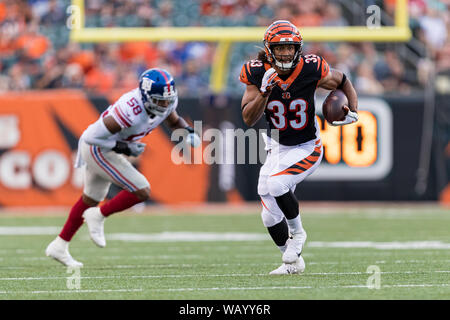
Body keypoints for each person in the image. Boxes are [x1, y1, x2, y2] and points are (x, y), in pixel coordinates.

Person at [45, 68, 200, 267]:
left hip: (105, 148)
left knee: (90, 198)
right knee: (141, 190)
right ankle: (99, 215)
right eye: (161, 100)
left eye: (168, 99)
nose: (166, 103)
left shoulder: (164, 102)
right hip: (96, 148)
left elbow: (172, 117)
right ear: (146, 96)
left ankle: (59, 246)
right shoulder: (129, 110)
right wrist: (124, 147)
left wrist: (186, 130)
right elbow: (90, 137)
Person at [239, 20, 358, 275]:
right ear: (269, 49)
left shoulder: (310, 68)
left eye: (290, 48)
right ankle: (292, 263)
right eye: (279, 48)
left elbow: (343, 80)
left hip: (307, 146)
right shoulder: (257, 72)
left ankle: (298, 233)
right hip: (276, 147)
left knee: (277, 185)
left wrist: (354, 109)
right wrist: (264, 92)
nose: (285, 53)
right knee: (269, 216)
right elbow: (248, 119)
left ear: (298, 49)